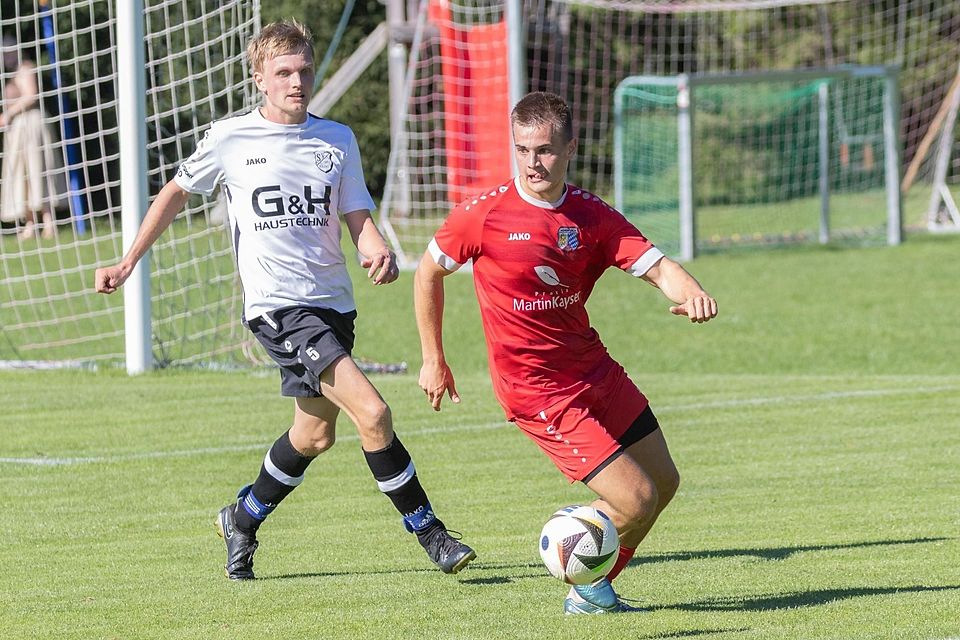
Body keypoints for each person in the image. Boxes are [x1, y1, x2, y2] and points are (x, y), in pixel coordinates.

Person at [95, 19, 475, 580]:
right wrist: (129, 261)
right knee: (373, 412)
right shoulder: (230, 138)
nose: (296, 82)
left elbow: (357, 220)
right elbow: (175, 192)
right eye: (283, 73)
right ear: (259, 79)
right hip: (278, 308)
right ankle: (431, 533)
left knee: (314, 434)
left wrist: (379, 251)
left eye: (303, 70)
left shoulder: (337, 139)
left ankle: (242, 519)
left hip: (333, 306)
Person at [414, 91, 717, 614]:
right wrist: (432, 357)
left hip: (594, 369)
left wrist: (691, 293)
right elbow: (428, 273)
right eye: (524, 149)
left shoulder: (590, 216)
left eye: (547, 150)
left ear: (570, 148)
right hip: (538, 391)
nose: (534, 162)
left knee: (663, 482)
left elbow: (656, 264)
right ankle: (568, 545)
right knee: (634, 498)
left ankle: (593, 588)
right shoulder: (482, 216)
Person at [0, 34, 60, 239]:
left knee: (38, 171)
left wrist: (9, 113)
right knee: (22, 175)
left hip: (32, 126)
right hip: (19, 130)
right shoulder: (13, 73)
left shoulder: (25, 68)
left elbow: (32, 95)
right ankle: (31, 224)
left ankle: (48, 222)